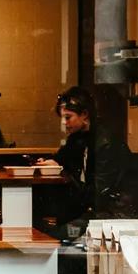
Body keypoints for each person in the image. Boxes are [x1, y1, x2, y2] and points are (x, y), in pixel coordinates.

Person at [39, 85, 95, 228]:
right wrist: (47, 162)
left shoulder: (103, 142)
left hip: (99, 214)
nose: (64, 123)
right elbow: (60, 159)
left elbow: (97, 195)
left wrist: (60, 169)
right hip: (81, 209)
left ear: (84, 114)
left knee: (54, 234)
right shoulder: (76, 138)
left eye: (68, 117)